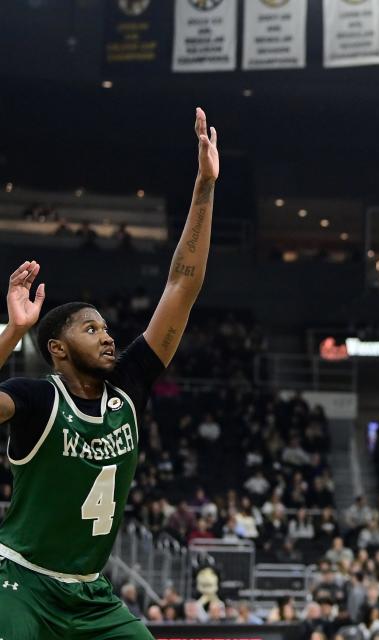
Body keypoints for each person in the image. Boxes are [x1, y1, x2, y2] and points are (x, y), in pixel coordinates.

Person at [0, 108, 219, 640]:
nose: (107, 335)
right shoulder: (33, 399)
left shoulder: (126, 388)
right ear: (57, 348)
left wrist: (204, 188)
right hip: (20, 581)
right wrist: (11, 331)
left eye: (105, 327)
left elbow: (181, 285)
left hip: (89, 593)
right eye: (89, 328)